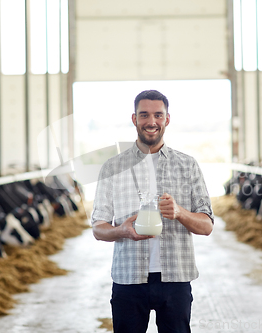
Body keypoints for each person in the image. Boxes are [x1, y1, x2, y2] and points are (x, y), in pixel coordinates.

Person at [91, 90, 214, 333]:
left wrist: (180, 212)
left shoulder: (187, 165)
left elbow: (207, 225)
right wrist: (122, 231)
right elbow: (98, 228)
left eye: (158, 115)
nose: (151, 122)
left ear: (167, 119)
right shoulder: (113, 167)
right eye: (144, 115)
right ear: (134, 118)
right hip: (128, 279)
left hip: (176, 279)